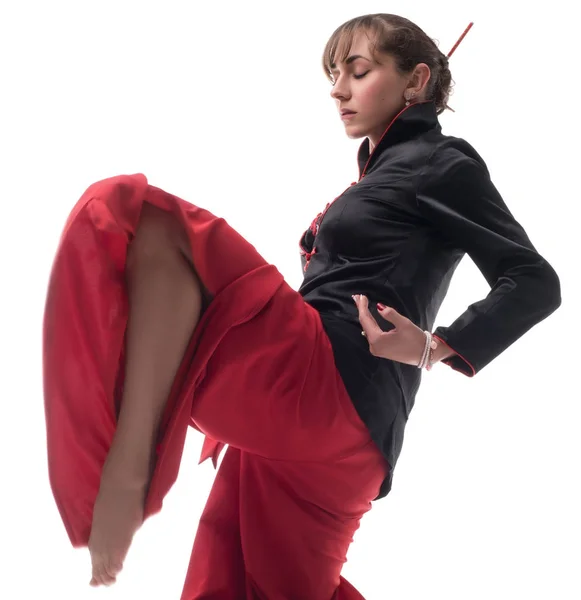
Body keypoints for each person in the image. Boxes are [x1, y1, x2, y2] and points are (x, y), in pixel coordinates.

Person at [43, 13, 561, 600]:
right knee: (244, 581)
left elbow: (534, 280)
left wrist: (431, 347)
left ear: (416, 82)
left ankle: (119, 460)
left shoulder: (442, 163)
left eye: (358, 71)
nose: (338, 89)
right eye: (333, 75)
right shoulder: (378, 176)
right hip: (346, 436)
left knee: (127, 214)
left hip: (324, 383)